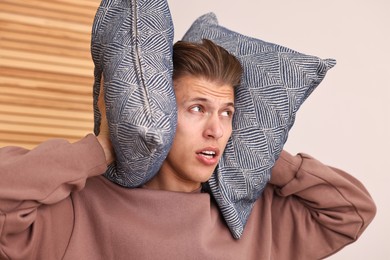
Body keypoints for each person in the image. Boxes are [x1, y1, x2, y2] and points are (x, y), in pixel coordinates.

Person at [0, 40, 375, 260]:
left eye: (227, 113)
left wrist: (256, 147)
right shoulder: (79, 209)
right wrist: (103, 147)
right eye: (197, 108)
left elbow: (351, 211)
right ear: (158, 114)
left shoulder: (254, 219)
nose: (216, 129)